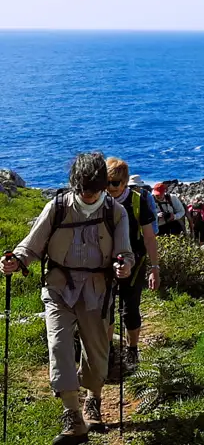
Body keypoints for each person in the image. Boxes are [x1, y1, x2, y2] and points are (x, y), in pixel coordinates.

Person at [2, 153, 134, 444]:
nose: (88, 195)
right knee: (59, 346)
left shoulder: (116, 213)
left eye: (94, 189)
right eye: (83, 189)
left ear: (102, 185)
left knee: (97, 353)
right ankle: (74, 417)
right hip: (58, 288)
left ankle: (93, 400)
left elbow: (125, 251)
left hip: (97, 290)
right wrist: (16, 261)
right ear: (75, 185)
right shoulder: (58, 208)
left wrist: (124, 264)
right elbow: (31, 246)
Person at [106, 158, 160, 376]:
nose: (110, 188)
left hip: (135, 262)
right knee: (106, 309)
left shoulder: (139, 201)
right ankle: (109, 351)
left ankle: (132, 350)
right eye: (106, 183)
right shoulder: (100, 200)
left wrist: (154, 268)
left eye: (115, 183)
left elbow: (149, 238)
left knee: (130, 309)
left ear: (125, 181)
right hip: (104, 263)